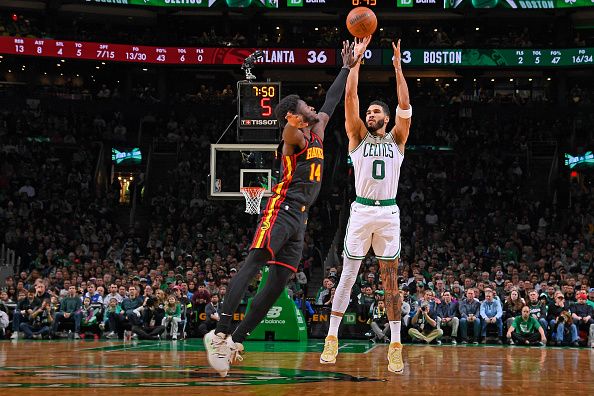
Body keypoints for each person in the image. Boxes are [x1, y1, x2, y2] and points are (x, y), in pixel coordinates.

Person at [204, 40, 359, 377]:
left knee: (279, 281)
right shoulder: (294, 135)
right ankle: (219, 333)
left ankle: (237, 340)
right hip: (281, 207)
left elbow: (332, 98)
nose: (312, 106)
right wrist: (288, 112)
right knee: (255, 262)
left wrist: (347, 67)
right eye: (305, 105)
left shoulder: (315, 130)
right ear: (295, 116)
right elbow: (289, 122)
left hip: (301, 217)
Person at [320, 37, 412, 376]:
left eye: (376, 112)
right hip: (360, 211)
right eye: (369, 112)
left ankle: (396, 345)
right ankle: (331, 337)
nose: (370, 114)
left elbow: (405, 105)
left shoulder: (398, 138)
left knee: (391, 281)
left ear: (386, 119)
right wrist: (355, 62)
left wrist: (398, 68)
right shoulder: (357, 136)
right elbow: (350, 97)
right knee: (348, 274)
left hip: (388, 213)